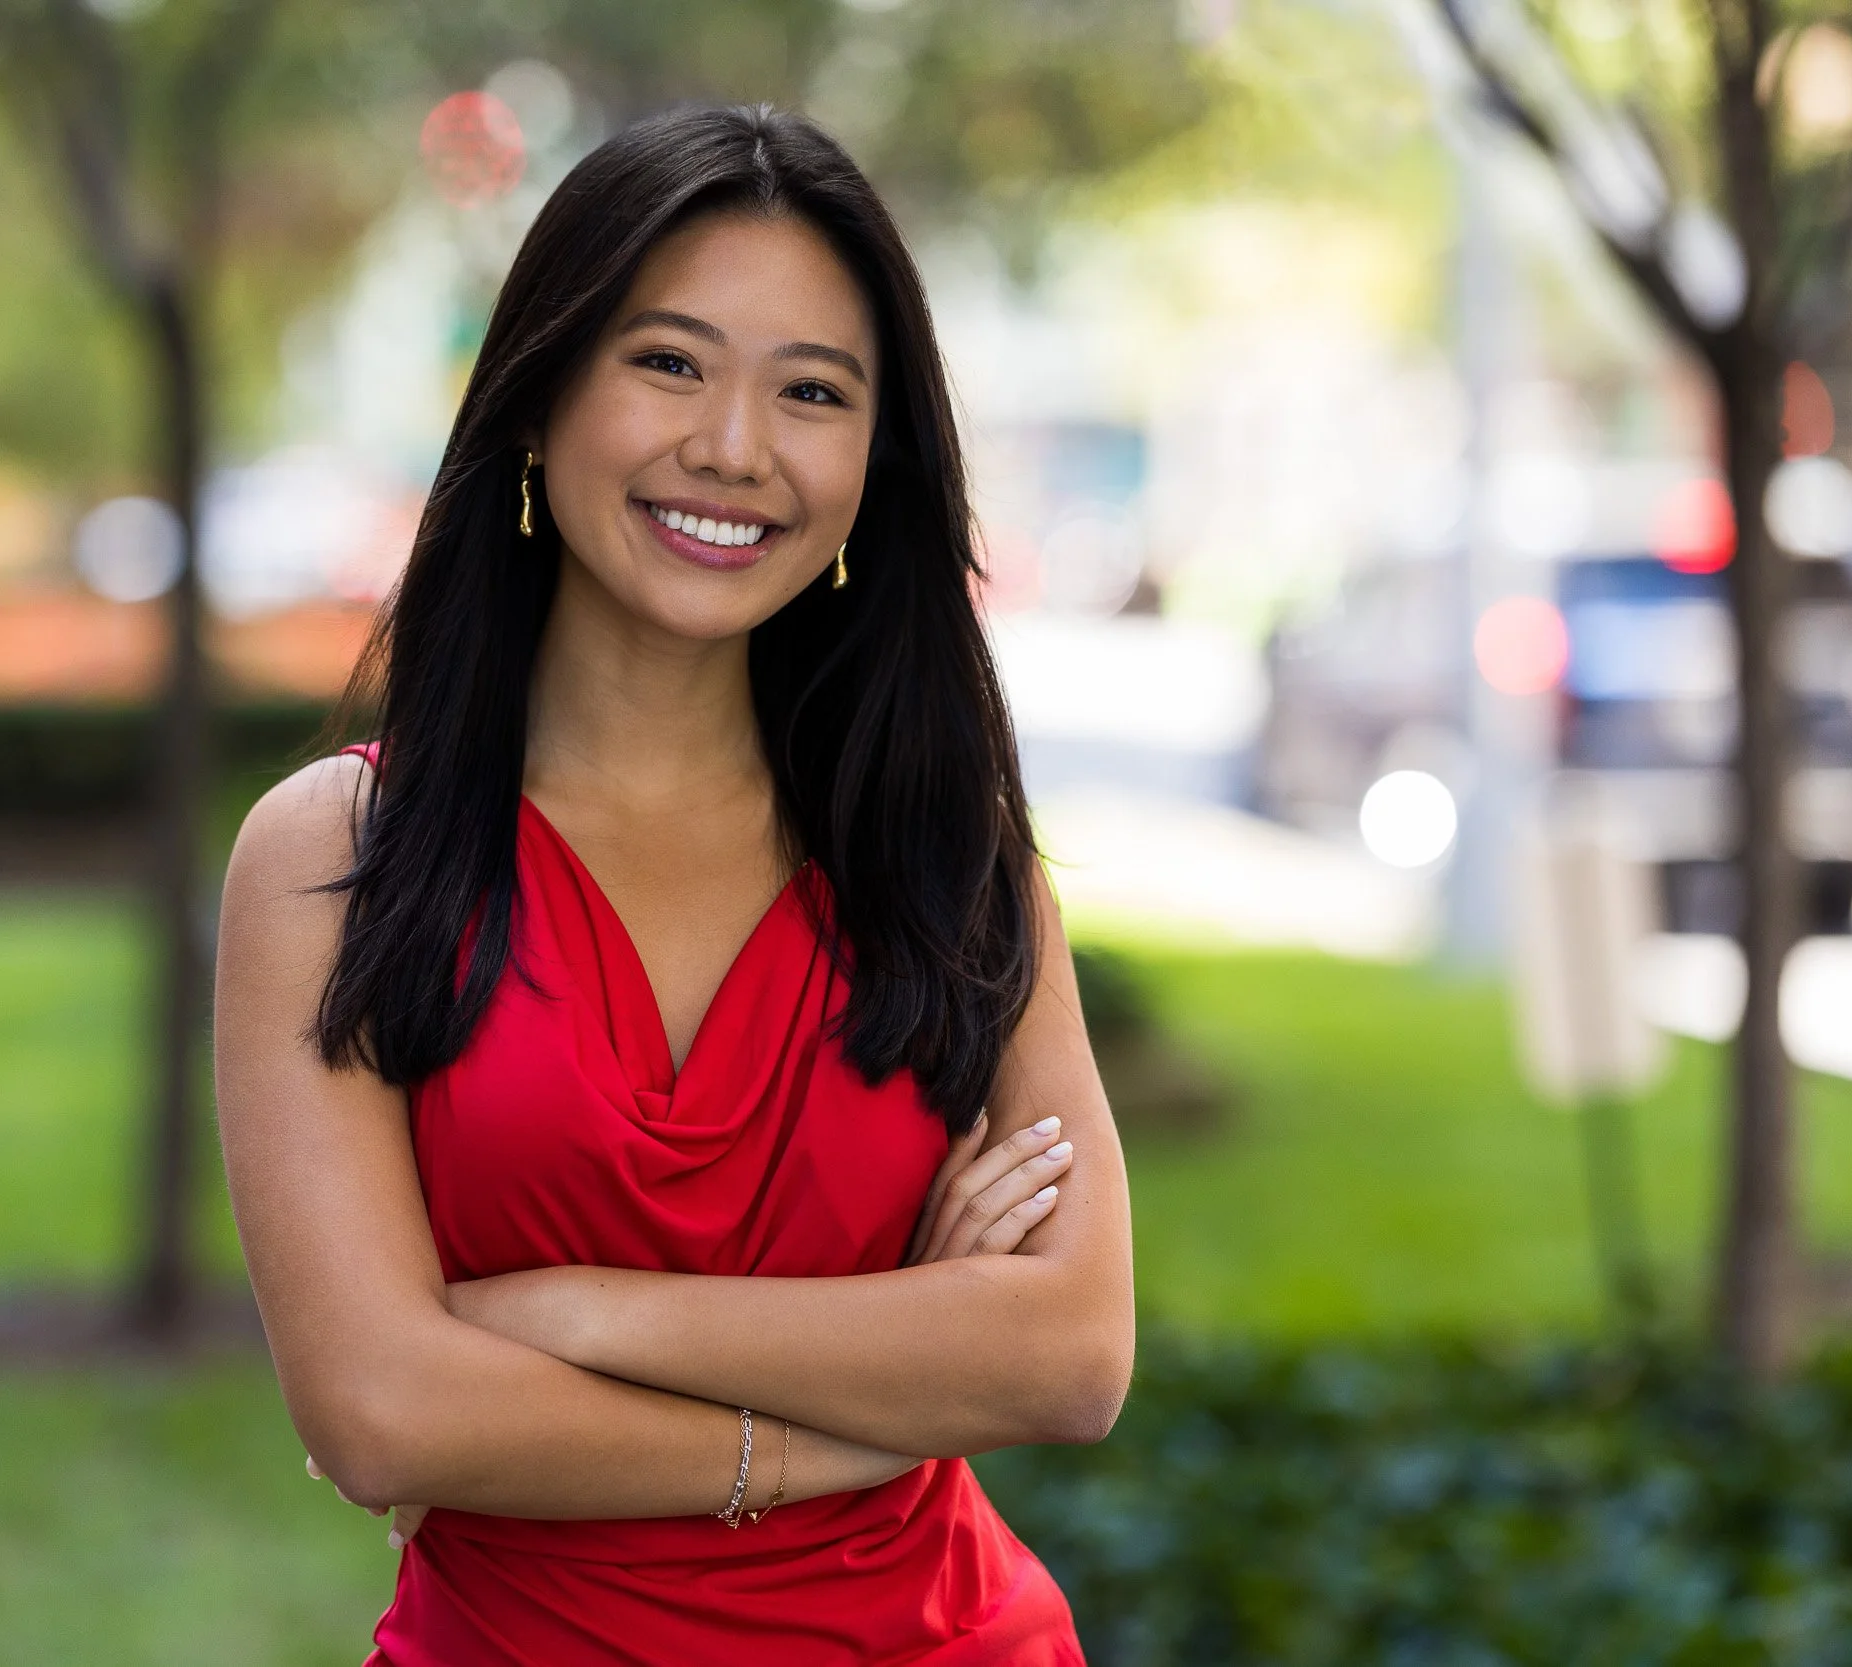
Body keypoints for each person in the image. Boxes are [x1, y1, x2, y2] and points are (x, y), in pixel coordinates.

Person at [214, 103, 1133, 1665]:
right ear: (538, 395)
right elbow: (379, 1411)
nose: (734, 447)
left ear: (872, 459)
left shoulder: (944, 857)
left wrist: (574, 1313)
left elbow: (1067, 1353)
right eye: (669, 362)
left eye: (815, 391)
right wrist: (861, 1404)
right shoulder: (334, 859)